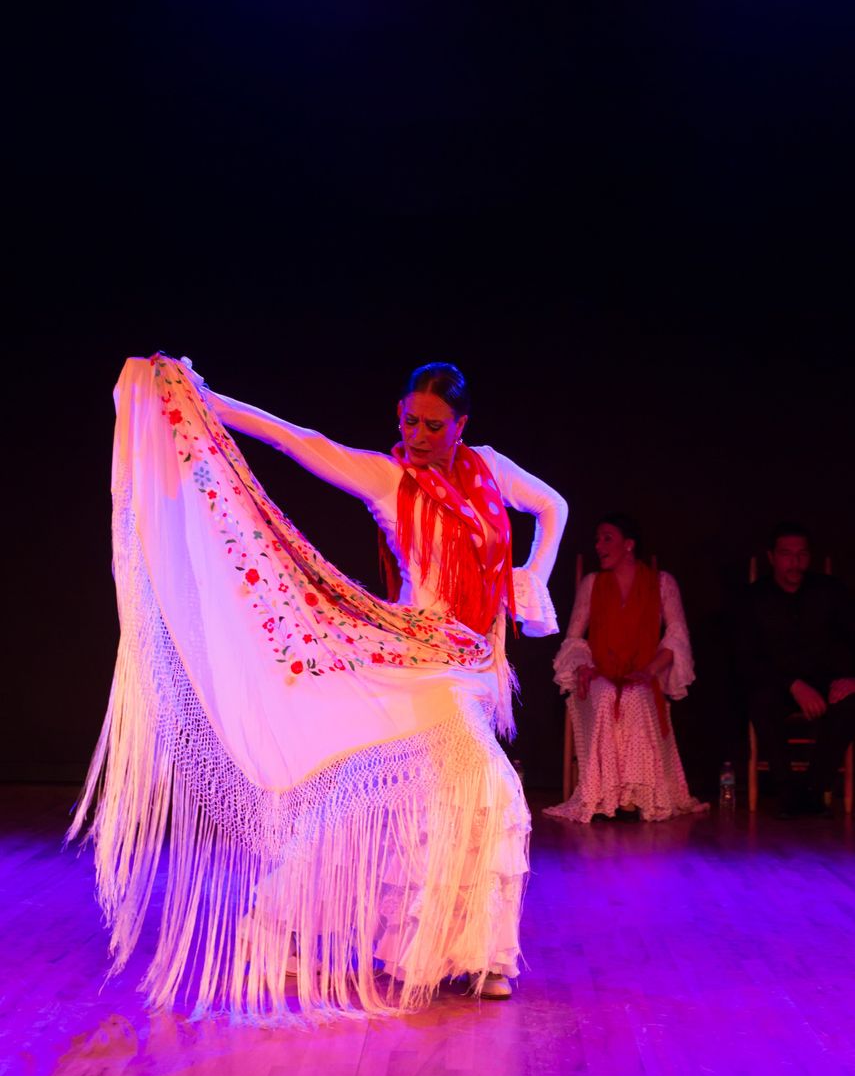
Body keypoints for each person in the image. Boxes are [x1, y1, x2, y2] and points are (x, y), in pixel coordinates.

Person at [69, 353, 567, 1019]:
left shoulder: (489, 468)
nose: (417, 435)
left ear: (460, 425)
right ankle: (480, 958)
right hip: (422, 662)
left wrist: (533, 572)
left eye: (432, 425)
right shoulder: (389, 478)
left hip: (478, 667)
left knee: (386, 804)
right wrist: (207, 401)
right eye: (408, 420)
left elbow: (552, 505)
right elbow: (300, 441)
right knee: (491, 789)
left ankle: (282, 927)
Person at [545, 514, 707, 823]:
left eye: (607, 538)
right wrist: (583, 666)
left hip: (644, 671)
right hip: (599, 673)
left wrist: (649, 671)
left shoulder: (661, 583)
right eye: (597, 539)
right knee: (606, 696)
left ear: (629, 545)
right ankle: (605, 794)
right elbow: (575, 636)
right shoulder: (592, 584)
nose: (599, 545)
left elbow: (676, 636)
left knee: (634, 695)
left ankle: (634, 795)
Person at [733, 522, 855, 818]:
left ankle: (815, 787)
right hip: (778, 683)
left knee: (851, 704)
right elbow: (745, 659)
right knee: (759, 700)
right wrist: (793, 684)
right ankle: (785, 789)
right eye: (787, 554)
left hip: (827, 681)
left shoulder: (831, 591)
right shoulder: (754, 598)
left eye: (801, 554)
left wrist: (852, 679)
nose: (795, 562)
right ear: (772, 557)